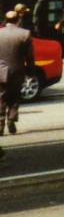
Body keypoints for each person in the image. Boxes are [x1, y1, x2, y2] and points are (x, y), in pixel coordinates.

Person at [0, 10, 34, 146]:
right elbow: (30, 56)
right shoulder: (24, 34)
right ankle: (11, 119)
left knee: (1, 97)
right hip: (17, 71)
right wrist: (31, 72)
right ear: (17, 20)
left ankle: (0, 123)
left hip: (0, 71)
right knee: (14, 97)